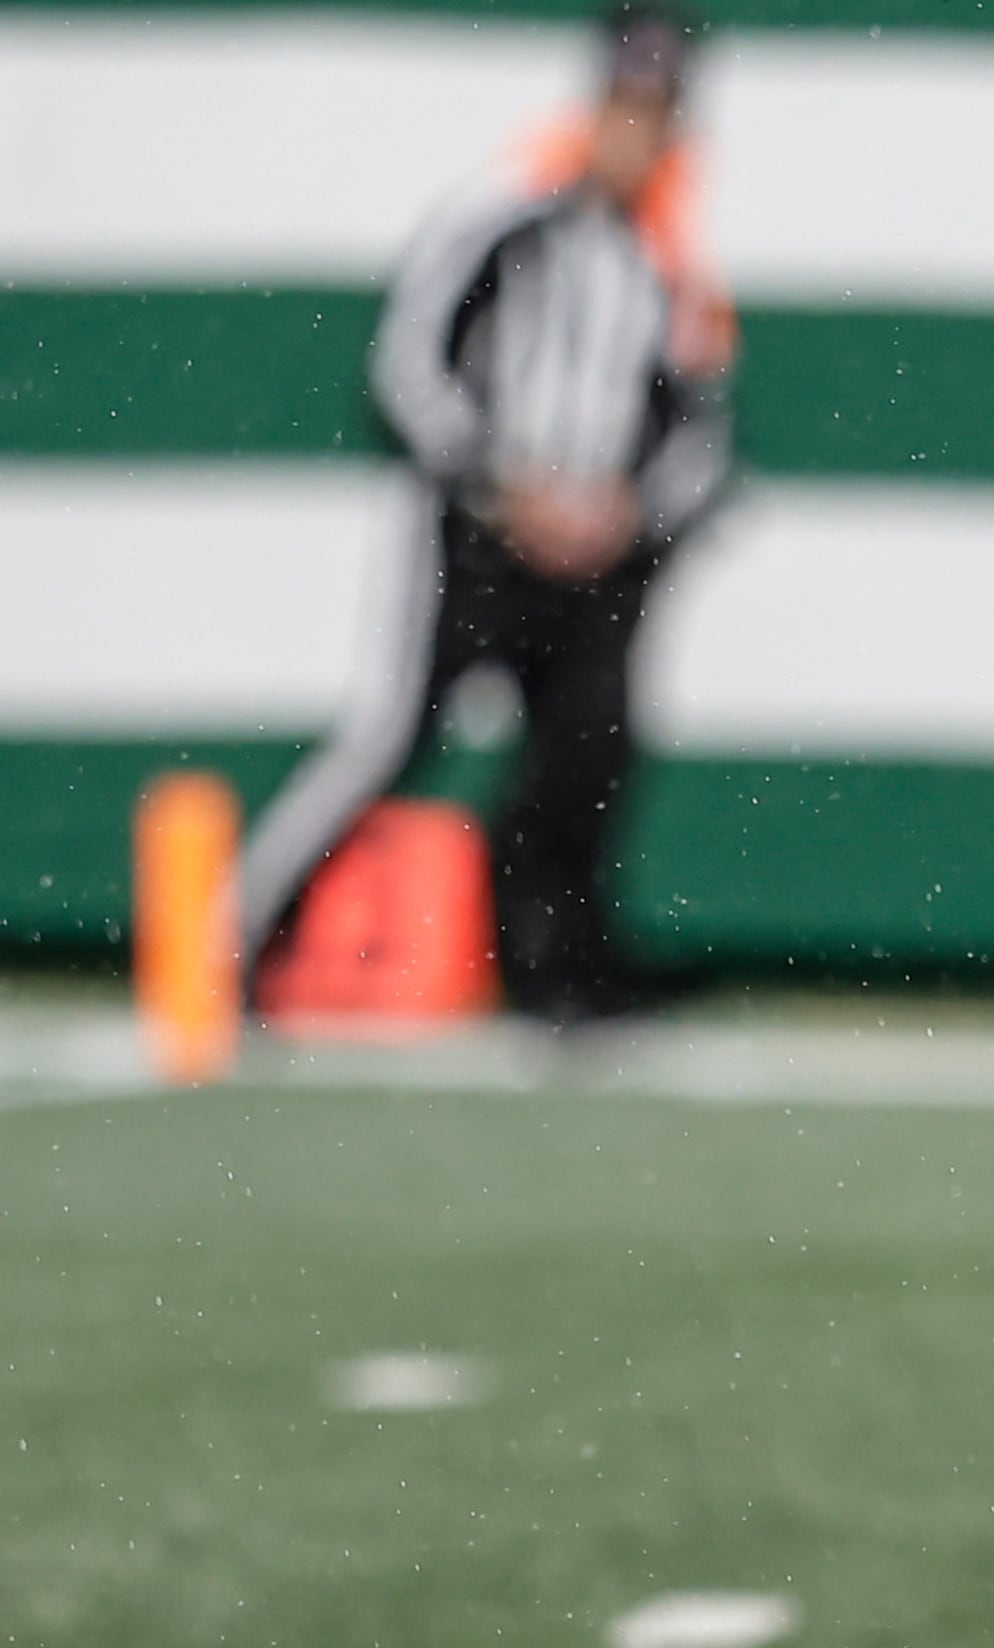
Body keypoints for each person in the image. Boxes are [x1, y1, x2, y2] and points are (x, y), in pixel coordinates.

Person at [234, 2, 734, 1025]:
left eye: (658, 112)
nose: (637, 133)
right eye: (625, 106)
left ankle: (557, 966)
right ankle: (238, 936)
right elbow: (407, 367)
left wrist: (621, 515)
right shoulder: (502, 220)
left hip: (594, 556)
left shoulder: (664, 270)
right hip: (472, 538)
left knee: (585, 753)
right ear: (592, 108)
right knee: (392, 732)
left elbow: (702, 434)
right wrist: (508, 484)